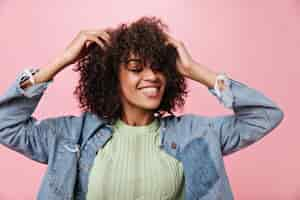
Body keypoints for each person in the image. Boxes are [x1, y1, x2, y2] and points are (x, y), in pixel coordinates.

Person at [0, 16, 284, 200]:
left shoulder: (198, 133)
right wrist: (62, 60)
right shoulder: (72, 135)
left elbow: (265, 115)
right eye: (136, 68)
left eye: (159, 68)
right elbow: (5, 124)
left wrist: (196, 70)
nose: (152, 76)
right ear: (113, 76)